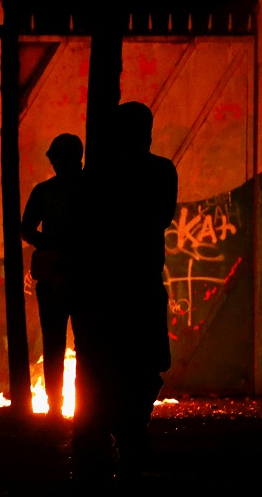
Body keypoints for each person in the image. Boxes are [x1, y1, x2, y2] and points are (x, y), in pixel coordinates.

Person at [70, 101, 178, 487]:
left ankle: (120, 436)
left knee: (113, 368)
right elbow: (159, 217)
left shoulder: (102, 176)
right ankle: (129, 435)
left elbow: (90, 228)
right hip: (140, 283)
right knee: (143, 366)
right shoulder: (160, 171)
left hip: (110, 287)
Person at [20, 133, 84, 421]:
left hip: (54, 277)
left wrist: (47, 243)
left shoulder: (44, 191)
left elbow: (26, 229)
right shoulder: (92, 189)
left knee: (53, 344)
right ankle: (86, 407)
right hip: (86, 276)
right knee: (87, 345)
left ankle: (55, 408)